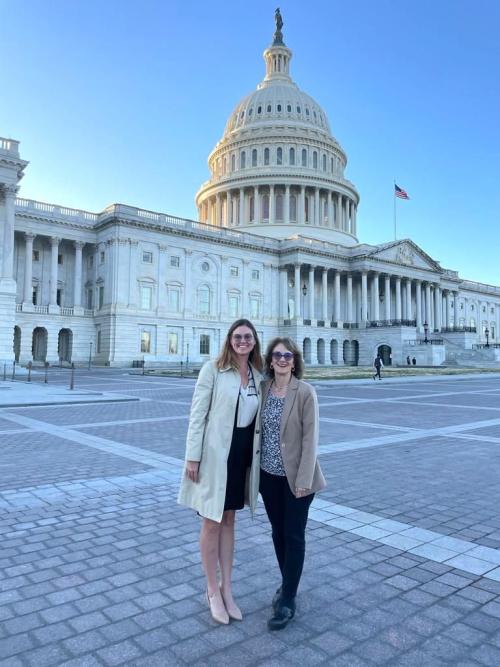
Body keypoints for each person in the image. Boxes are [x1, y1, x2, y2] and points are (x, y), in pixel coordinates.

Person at [178, 319, 263, 625]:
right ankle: (212, 590)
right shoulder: (212, 370)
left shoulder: (256, 374)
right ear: (229, 340)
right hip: (216, 456)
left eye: (248, 337)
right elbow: (197, 415)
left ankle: (229, 589)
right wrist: (192, 457)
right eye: (238, 336)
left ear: (254, 342)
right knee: (212, 522)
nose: (243, 341)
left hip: (241, 456)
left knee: (229, 520)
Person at [257, 337, 326, 631]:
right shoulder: (262, 389)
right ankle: (287, 583)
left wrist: (303, 480)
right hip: (268, 477)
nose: (283, 360)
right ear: (270, 361)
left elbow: (311, 440)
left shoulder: (305, 392)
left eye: (288, 356)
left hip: (297, 478)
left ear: (295, 361)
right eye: (277, 355)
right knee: (278, 533)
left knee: (294, 535)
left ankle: (288, 599)